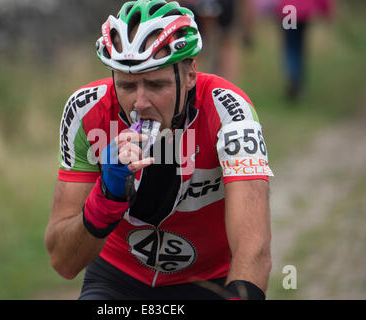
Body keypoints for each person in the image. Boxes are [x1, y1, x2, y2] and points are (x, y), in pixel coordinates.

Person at [45, 0, 273, 300]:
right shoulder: (87, 110)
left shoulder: (230, 111)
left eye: (155, 84)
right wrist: (106, 197)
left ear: (190, 74)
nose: (140, 103)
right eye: (126, 86)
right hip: (118, 278)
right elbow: (63, 261)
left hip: (206, 281)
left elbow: (253, 249)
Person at [276, 0, 335, 100]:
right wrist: (326, 11)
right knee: (298, 46)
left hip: (288, 9)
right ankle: (297, 78)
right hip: (303, 12)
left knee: (291, 46)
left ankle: (293, 76)